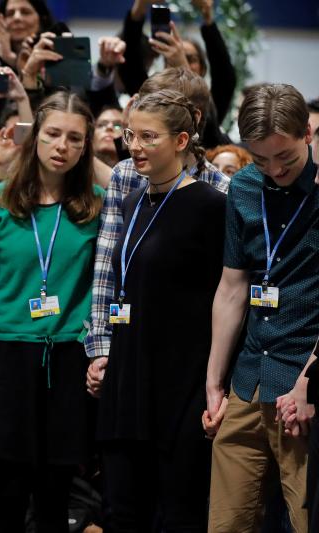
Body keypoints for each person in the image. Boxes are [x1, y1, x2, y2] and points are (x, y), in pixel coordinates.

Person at [0, 91, 103, 532]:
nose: (62, 146)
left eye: (75, 139)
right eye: (53, 134)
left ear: (86, 147)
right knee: (4, 492)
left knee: (55, 493)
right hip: (8, 357)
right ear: (34, 137)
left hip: (69, 358)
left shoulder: (98, 205)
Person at [94, 90, 225, 532]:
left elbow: (223, 301)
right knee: (120, 512)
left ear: (182, 140)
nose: (135, 146)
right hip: (126, 383)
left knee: (176, 513)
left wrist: (215, 384)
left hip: (179, 387)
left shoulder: (210, 207)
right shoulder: (131, 204)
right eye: (131, 135)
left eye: (149, 137)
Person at [201, 83, 317, 533]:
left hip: (302, 387)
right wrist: (215, 382)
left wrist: (309, 380)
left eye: (284, 158)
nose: (274, 170)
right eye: (262, 158)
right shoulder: (246, 187)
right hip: (247, 381)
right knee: (227, 522)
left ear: (307, 132)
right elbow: (232, 288)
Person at [85, 67, 230, 383]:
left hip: (186, 351)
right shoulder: (126, 176)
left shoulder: (220, 190)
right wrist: (101, 345)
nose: (137, 143)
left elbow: (226, 288)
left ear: (187, 122)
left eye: (150, 132)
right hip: (128, 341)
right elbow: (108, 267)